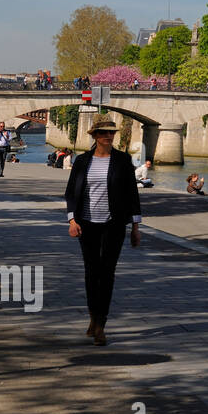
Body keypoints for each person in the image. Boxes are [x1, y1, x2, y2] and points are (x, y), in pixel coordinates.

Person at [64, 117, 141, 347]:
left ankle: (100, 325)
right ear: (95, 136)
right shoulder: (82, 161)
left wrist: (135, 226)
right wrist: (71, 220)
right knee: (91, 272)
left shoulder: (122, 160)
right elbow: (71, 192)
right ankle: (92, 316)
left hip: (114, 224)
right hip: (86, 224)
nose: (109, 136)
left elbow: (131, 194)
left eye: (112, 133)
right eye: (104, 133)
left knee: (107, 273)